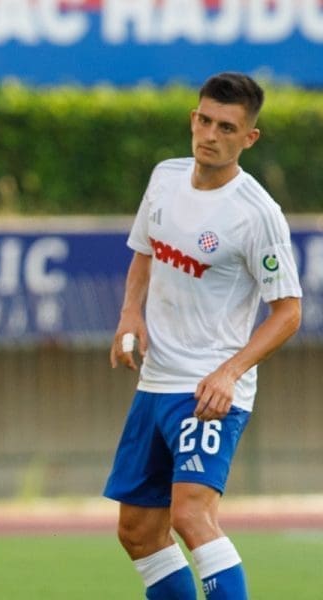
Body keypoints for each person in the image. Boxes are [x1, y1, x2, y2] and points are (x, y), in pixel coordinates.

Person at [105, 72, 301, 600]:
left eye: (227, 128)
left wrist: (229, 372)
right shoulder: (164, 178)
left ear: (249, 138)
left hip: (207, 389)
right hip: (155, 383)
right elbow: (144, 251)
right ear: (193, 118)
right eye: (205, 121)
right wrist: (130, 313)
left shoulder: (257, 214)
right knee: (138, 532)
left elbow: (288, 312)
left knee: (191, 515)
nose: (211, 135)